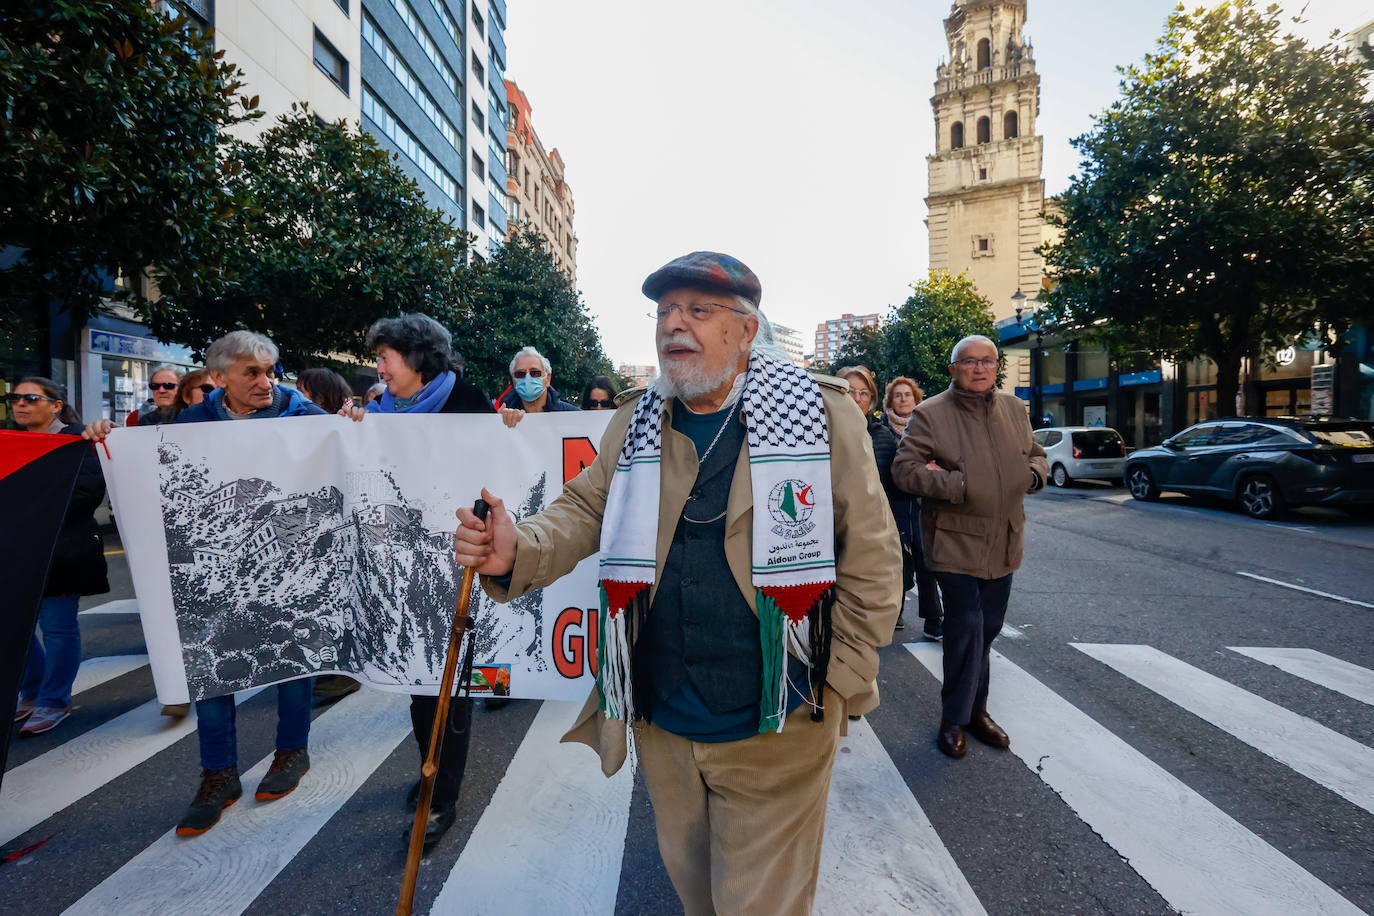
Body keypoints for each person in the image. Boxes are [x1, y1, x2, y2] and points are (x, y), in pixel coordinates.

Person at [455, 251, 900, 915]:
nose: (673, 326)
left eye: (697, 310)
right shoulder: (638, 418)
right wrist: (519, 548)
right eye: (664, 312)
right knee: (698, 895)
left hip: (779, 719)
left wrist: (839, 677)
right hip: (663, 718)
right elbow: (582, 508)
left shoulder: (820, 412)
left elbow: (873, 556)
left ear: (746, 331)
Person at [85, 330, 327, 835]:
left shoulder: (304, 416)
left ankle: (291, 752)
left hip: (285, 564)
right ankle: (219, 774)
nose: (266, 382)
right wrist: (108, 438)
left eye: (271, 370)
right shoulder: (190, 421)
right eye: (251, 373)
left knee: (292, 657)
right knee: (209, 668)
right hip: (216, 571)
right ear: (218, 378)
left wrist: (353, 424)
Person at [343, 312, 492, 850]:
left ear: (415, 358)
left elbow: (499, 468)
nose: (377, 366)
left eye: (385, 357)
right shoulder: (375, 412)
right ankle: (428, 771)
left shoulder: (468, 401)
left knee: (449, 685)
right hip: (398, 567)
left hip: (454, 563)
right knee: (417, 680)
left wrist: (517, 425)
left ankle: (442, 795)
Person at [891, 335, 1048, 760]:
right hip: (954, 539)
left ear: (996, 367)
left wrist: (1032, 476)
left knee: (989, 628)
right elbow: (904, 471)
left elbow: (1035, 453)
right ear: (953, 369)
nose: (979, 369)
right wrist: (959, 483)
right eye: (969, 362)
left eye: (987, 361)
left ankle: (975, 712)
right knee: (967, 625)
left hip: (1004, 539)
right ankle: (956, 719)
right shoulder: (931, 413)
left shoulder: (1015, 409)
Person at [11, 378, 109, 735]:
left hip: (63, 551)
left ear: (55, 405)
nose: (20, 404)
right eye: (15, 398)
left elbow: (86, 492)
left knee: (57, 627)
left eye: (31, 398)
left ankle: (54, 700)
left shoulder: (77, 440)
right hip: (18, 550)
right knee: (16, 628)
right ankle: (32, 689)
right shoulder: (11, 441)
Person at [835, 365, 901, 637]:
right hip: (832, 533)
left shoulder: (882, 436)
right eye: (850, 391)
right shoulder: (816, 433)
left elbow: (891, 485)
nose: (857, 398)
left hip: (869, 533)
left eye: (864, 393)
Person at [882, 376, 944, 640]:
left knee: (926, 561)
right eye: (898, 395)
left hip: (921, 504)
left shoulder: (928, 428)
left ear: (916, 399)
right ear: (890, 400)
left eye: (908, 394)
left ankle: (933, 620)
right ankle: (894, 613)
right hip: (892, 505)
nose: (903, 398)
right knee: (895, 562)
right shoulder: (881, 430)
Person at [496, 346, 579, 426]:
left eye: (535, 373)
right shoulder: (502, 417)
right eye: (520, 374)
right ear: (513, 380)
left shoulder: (574, 416)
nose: (527, 378)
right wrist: (498, 422)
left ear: (548, 378)